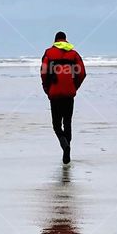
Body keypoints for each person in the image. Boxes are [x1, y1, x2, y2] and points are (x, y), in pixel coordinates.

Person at [40, 31, 85, 163]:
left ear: (55, 41)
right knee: (67, 123)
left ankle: (64, 146)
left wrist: (47, 89)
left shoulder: (48, 53)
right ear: (65, 40)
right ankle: (68, 148)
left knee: (56, 125)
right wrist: (74, 87)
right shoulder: (74, 54)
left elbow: (43, 73)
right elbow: (82, 73)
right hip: (69, 94)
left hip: (54, 94)